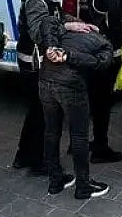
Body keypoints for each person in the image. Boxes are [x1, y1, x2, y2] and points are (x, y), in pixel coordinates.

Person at [13, 0, 94, 174]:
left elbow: (56, 15)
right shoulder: (36, 0)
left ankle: (24, 156)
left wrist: (76, 22)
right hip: (34, 63)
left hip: (35, 62)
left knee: (36, 112)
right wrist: (67, 28)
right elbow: (39, 31)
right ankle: (38, 163)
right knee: (42, 114)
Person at [38, 14, 113, 199]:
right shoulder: (103, 43)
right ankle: (83, 185)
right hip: (71, 86)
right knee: (79, 136)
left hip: (45, 80)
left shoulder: (63, 32)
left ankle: (55, 181)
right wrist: (69, 57)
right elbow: (101, 63)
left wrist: (57, 43)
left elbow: (47, 21)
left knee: (51, 132)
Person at [76, 0, 122, 163]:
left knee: (86, 98)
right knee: (102, 102)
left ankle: (77, 143)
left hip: (86, 46)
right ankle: (100, 147)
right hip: (103, 49)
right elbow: (116, 19)